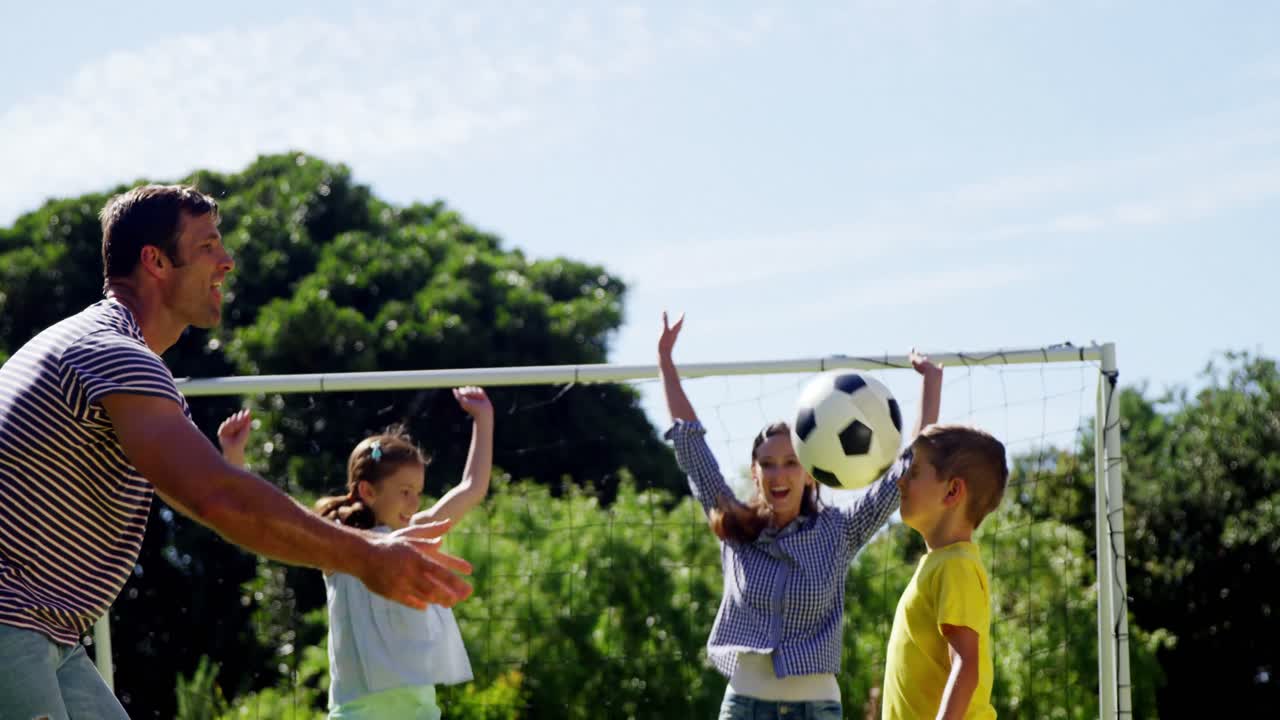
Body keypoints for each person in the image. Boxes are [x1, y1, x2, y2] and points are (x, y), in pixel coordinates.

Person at [0, 184, 471, 720]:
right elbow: (216, 495)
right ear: (155, 261)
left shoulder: (94, 347)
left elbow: (210, 493)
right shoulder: (113, 353)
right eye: (207, 246)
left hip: (47, 629)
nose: (226, 262)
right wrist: (368, 556)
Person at [658, 311, 943, 720]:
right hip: (743, 706)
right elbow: (691, 445)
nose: (779, 475)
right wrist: (665, 361)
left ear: (810, 471)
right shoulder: (735, 526)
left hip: (816, 707)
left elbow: (905, 469)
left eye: (791, 463)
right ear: (754, 473)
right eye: (767, 464)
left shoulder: (838, 531)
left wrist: (931, 383)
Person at [220, 387, 493, 720]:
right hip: (354, 713)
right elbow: (265, 517)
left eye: (418, 492)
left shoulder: (417, 532)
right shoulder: (336, 542)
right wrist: (234, 458)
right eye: (405, 491)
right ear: (367, 491)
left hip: (418, 712)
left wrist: (483, 420)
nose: (414, 502)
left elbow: (472, 488)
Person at [880, 424, 1007, 720]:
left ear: (952, 491)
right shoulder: (939, 563)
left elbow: (966, 665)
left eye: (913, 473)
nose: (901, 481)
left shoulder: (955, 566)